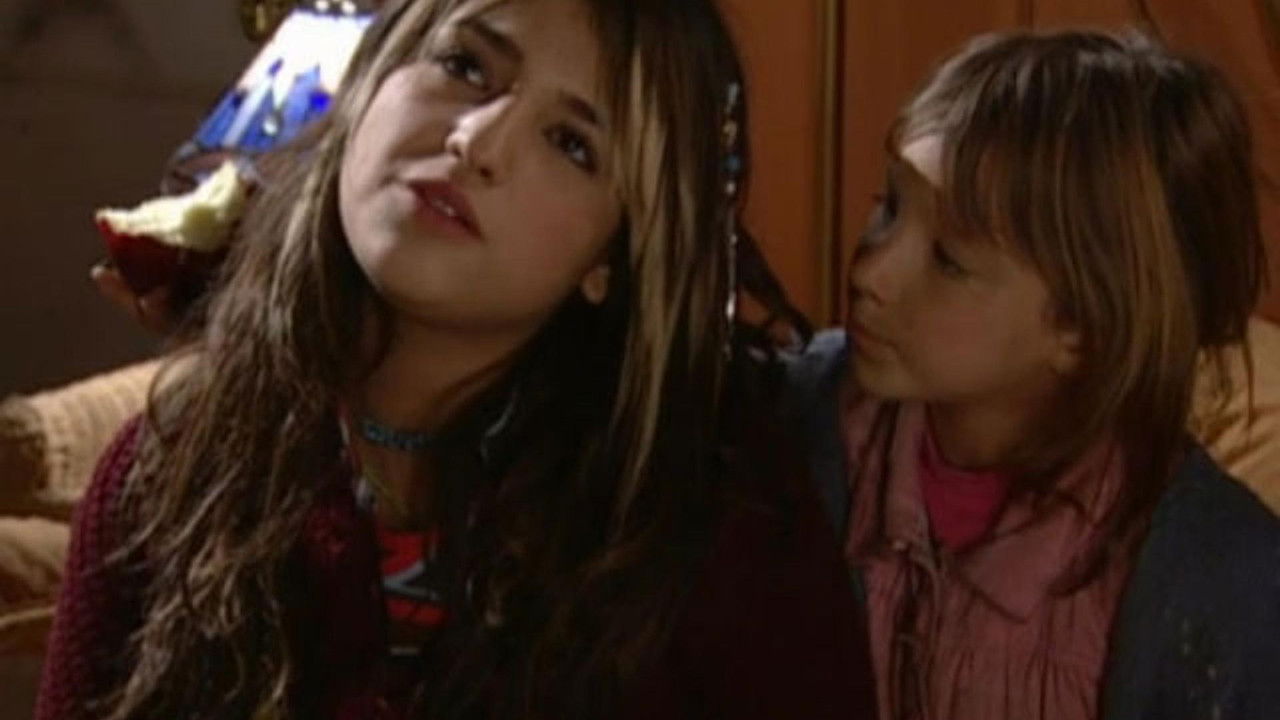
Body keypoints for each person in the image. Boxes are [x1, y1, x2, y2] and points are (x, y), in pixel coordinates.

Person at [38, 0, 875, 718]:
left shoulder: (715, 524)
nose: (478, 139)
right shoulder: (167, 472)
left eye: (571, 143)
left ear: (609, 260)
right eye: (466, 66)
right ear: (372, 81)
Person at [782, 30, 1280, 720]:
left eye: (948, 261)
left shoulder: (1216, 583)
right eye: (890, 206)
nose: (870, 271)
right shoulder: (788, 435)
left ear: (1082, 330)